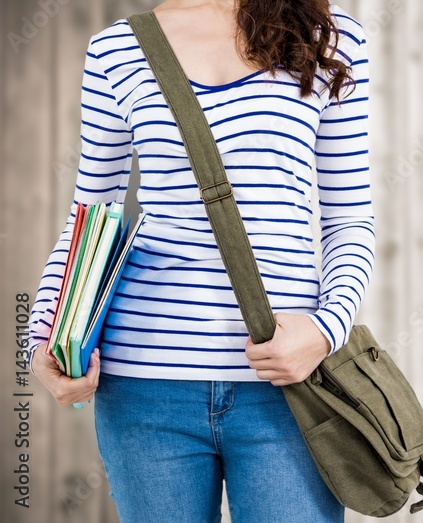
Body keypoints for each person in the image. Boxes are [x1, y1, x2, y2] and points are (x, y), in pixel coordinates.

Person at [26, 1, 374, 521]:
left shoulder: (330, 35)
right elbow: (89, 222)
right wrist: (41, 339)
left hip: (288, 390)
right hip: (144, 393)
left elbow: (349, 222)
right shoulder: (116, 49)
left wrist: (325, 330)